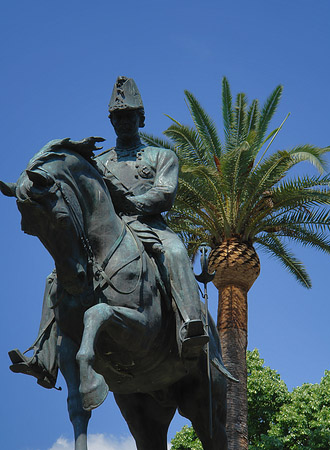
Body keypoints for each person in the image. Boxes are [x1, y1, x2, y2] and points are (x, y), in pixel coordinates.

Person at [8, 76, 208, 389]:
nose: (123, 122)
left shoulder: (161, 157)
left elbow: (165, 194)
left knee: (176, 252)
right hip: (106, 236)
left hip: (149, 226)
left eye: (129, 117)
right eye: (117, 117)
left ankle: (189, 327)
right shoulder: (99, 163)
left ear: (141, 119)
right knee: (55, 278)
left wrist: (132, 202)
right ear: (111, 121)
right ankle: (44, 359)